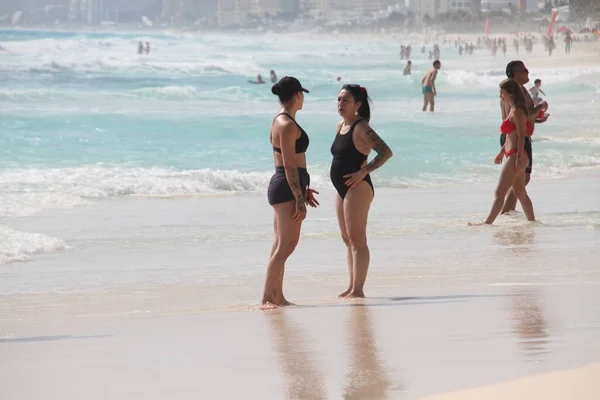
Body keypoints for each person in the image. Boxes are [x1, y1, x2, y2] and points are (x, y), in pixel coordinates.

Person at [261, 77, 319, 310]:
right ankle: (266, 297)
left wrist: (303, 190)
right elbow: (289, 165)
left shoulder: (282, 121)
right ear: (297, 95)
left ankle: (278, 296)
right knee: (287, 245)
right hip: (285, 185)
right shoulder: (286, 124)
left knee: (280, 244)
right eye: (301, 94)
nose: (303, 98)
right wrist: (299, 199)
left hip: (288, 185)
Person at [331, 84, 393, 298]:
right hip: (341, 189)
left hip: (358, 187)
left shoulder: (361, 127)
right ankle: (351, 286)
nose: (340, 104)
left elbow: (386, 152)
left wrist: (363, 171)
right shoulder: (340, 125)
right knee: (346, 238)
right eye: (339, 99)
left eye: (345, 100)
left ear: (357, 105)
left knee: (358, 238)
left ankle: (358, 290)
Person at [471, 78, 535, 225]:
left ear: (511, 93)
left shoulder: (518, 111)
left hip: (516, 155)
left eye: (503, 93)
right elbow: (509, 135)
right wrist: (501, 151)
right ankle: (533, 223)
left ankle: (487, 224)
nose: (501, 96)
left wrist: (518, 156)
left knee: (499, 193)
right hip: (514, 154)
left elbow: (521, 135)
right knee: (521, 193)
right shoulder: (512, 109)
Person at [500, 61, 548, 214]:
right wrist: (540, 107)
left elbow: (522, 117)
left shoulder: (514, 90)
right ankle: (506, 213)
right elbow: (523, 114)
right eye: (525, 70)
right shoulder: (515, 91)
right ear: (517, 74)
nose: (528, 73)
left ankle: (509, 213)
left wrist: (537, 119)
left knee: (518, 182)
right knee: (519, 182)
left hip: (515, 135)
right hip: (517, 138)